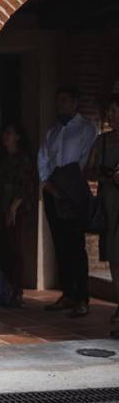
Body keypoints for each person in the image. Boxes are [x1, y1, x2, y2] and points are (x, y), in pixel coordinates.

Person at [38, 86, 98, 317]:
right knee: (60, 244)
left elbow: (85, 160)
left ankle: (82, 297)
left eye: (64, 100)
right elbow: (43, 158)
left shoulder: (85, 129)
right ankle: (68, 294)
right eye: (58, 101)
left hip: (73, 189)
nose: (59, 105)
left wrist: (68, 184)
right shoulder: (52, 131)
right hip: (53, 191)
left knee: (76, 245)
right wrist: (47, 184)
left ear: (75, 102)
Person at [0, 122, 36, 307]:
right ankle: (5, 288)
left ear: (18, 136)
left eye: (9, 133)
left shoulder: (23, 160)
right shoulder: (3, 160)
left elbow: (26, 187)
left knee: (15, 250)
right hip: (2, 208)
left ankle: (17, 291)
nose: (5, 136)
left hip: (17, 211)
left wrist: (13, 209)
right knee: (2, 249)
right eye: (5, 133)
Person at [91, 95, 119, 329]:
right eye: (109, 111)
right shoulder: (101, 141)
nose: (111, 116)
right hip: (109, 206)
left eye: (115, 111)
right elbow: (88, 171)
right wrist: (107, 175)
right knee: (113, 256)